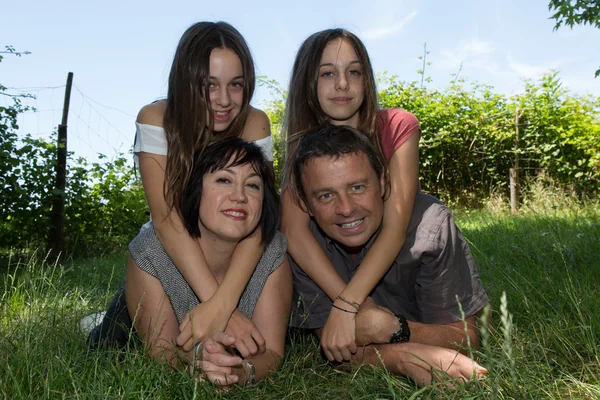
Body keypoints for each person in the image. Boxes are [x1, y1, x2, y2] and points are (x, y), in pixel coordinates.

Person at [289, 125, 489, 386]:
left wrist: (392, 328)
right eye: (326, 195)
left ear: (383, 182)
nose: (346, 208)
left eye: (358, 187)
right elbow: (338, 350)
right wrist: (403, 356)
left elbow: (467, 339)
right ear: (306, 205)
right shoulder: (306, 249)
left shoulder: (430, 226)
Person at [89, 139, 291, 386]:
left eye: (252, 185)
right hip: (122, 333)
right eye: (223, 180)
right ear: (195, 189)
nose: (239, 196)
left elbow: (271, 354)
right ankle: (102, 320)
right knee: (108, 342)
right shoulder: (151, 250)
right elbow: (161, 354)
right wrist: (199, 363)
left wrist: (239, 373)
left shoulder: (272, 252)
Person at [134, 21, 274, 357]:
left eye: (235, 84)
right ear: (185, 81)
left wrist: (222, 305)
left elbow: (262, 215)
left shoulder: (255, 122)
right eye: (209, 85)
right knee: (116, 340)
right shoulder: (156, 118)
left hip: (228, 264)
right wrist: (223, 308)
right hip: (170, 256)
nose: (224, 100)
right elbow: (166, 221)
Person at [282, 28, 421, 362]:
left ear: (366, 80)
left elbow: (396, 225)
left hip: (392, 258)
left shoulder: (397, 126)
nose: (342, 84)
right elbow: (293, 231)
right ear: (308, 84)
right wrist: (348, 302)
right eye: (328, 73)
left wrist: (349, 304)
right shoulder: (304, 145)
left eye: (353, 72)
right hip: (335, 270)